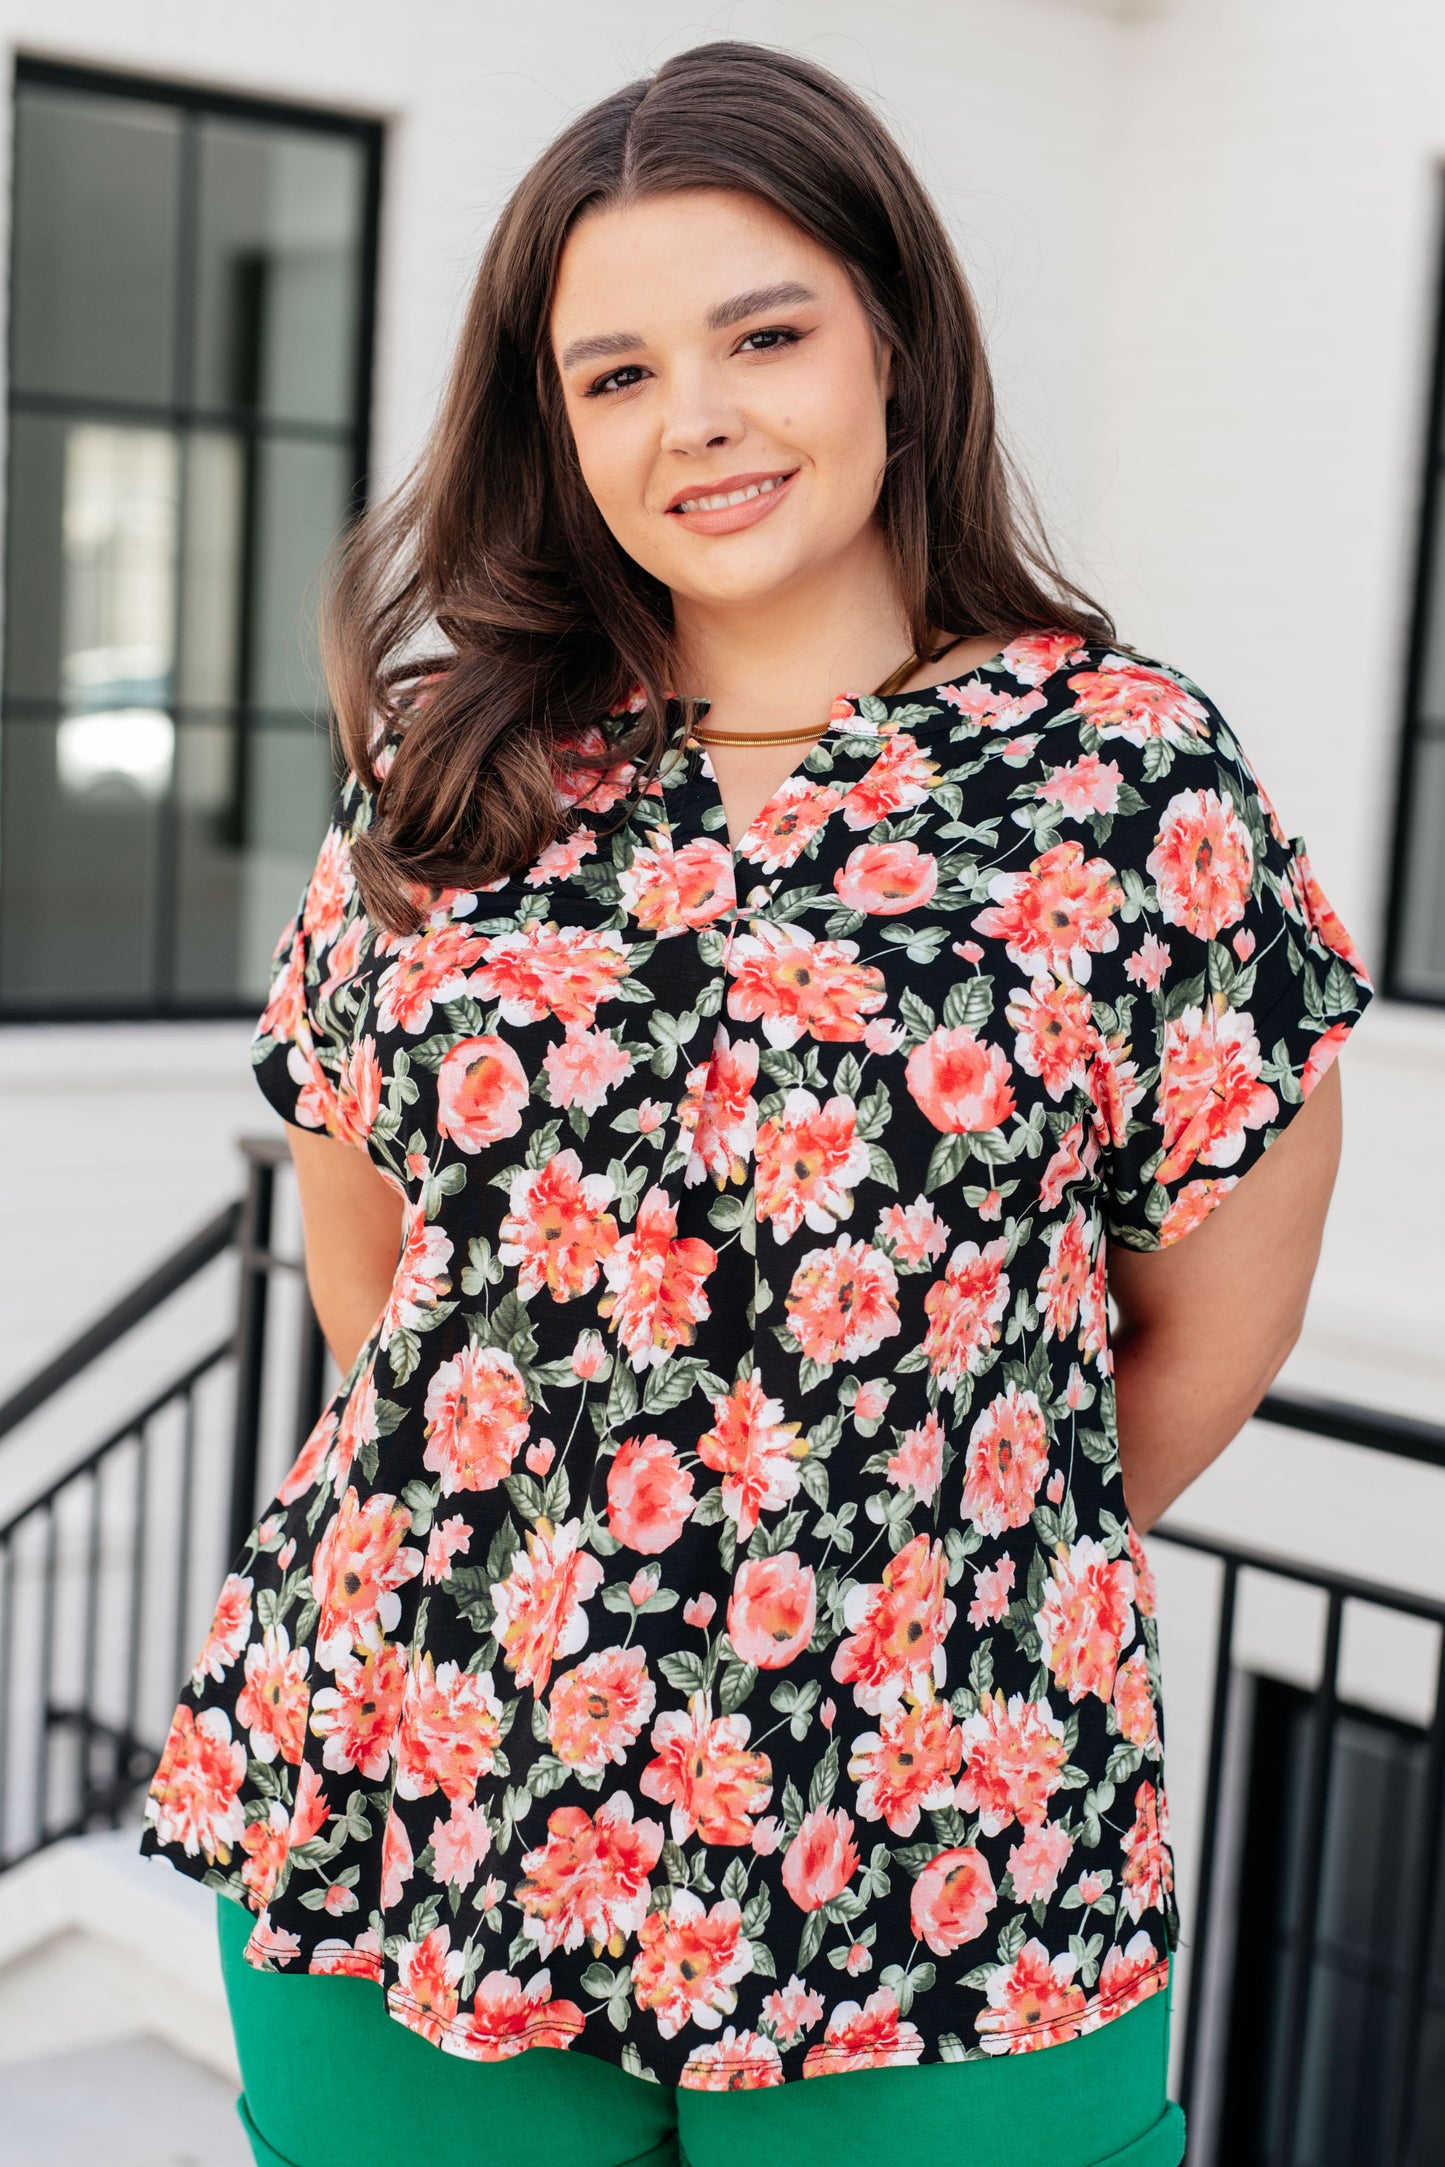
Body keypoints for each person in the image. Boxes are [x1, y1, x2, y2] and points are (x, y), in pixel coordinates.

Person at [140, 40, 1370, 2167]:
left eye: (763, 334)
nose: (693, 414)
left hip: (943, 1850)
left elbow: (1207, 1331)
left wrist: (886, 1567)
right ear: (558, 428)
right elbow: (375, 1277)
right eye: (612, 374)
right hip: (425, 1799)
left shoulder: (1130, 784)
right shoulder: (452, 770)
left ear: (898, 339)